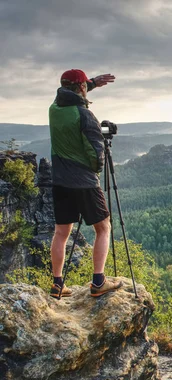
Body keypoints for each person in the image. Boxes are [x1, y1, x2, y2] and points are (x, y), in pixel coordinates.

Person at [48, 69, 123, 299]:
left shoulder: (54, 108)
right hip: (84, 182)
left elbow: (68, 93)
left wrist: (91, 83)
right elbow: (97, 155)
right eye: (84, 86)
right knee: (103, 227)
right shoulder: (85, 115)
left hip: (60, 180)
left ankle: (57, 285)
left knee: (61, 232)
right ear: (81, 88)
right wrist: (96, 168)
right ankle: (98, 282)